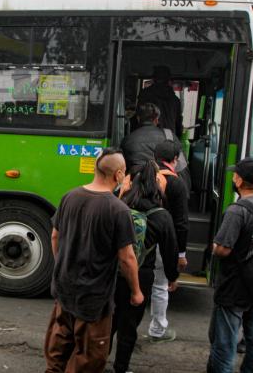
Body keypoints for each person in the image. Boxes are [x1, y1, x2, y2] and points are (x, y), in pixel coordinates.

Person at [44, 147, 144, 373]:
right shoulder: (118, 210)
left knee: (57, 353)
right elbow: (127, 258)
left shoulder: (70, 196)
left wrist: (62, 265)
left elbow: (54, 235)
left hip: (64, 290)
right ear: (118, 174)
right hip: (94, 299)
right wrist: (136, 291)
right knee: (88, 359)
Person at [208, 157, 253, 373]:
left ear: (239, 180)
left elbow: (223, 249)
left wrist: (213, 246)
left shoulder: (237, 210)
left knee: (225, 343)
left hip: (234, 286)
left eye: (235, 174)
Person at [110, 160, 180, 373]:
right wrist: (172, 276)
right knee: (129, 325)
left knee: (108, 321)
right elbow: (170, 252)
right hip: (141, 275)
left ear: (130, 182)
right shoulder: (161, 215)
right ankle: (121, 367)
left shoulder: (117, 206)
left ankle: (95, 360)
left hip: (112, 273)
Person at [147, 140, 190, 343]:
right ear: (175, 160)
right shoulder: (176, 182)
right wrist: (180, 254)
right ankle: (157, 330)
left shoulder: (141, 175)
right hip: (163, 242)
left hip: (139, 239)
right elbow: (181, 223)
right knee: (160, 285)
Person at [138, 65, 183, 137]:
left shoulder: (145, 95)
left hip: (148, 137)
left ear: (154, 79)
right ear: (168, 80)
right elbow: (178, 124)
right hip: (169, 138)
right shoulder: (175, 100)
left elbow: (139, 118)